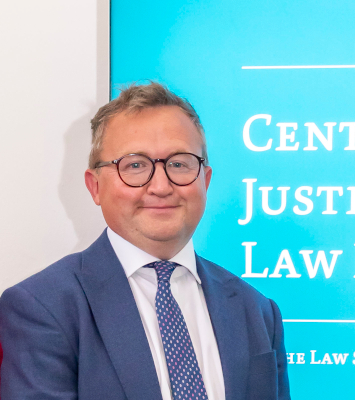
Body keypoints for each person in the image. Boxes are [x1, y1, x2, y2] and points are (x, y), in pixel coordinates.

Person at [0, 82, 290, 400]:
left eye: (179, 163)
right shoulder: (43, 307)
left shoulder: (257, 311)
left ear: (205, 181)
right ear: (95, 187)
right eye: (135, 165)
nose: (161, 187)